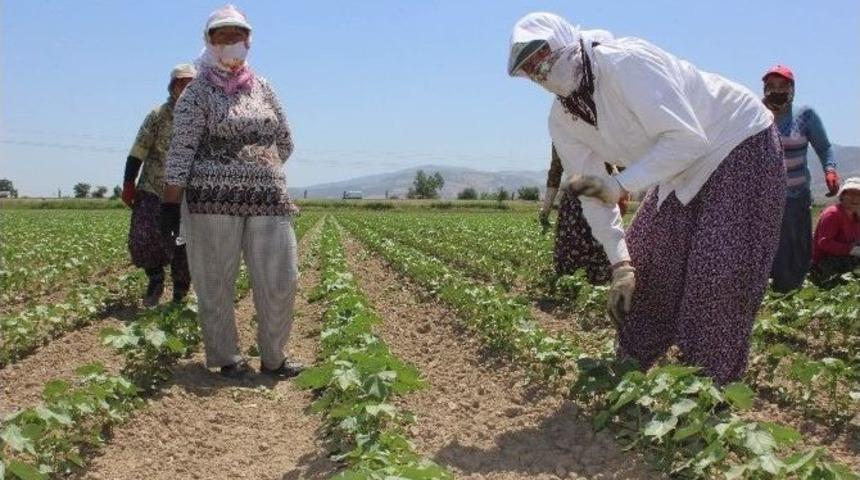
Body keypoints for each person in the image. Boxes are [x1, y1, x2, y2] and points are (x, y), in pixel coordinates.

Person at [508, 13, 784, 384]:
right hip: (675, 169)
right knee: (647, 263)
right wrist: (619, 263)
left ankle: (707, 392)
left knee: (718, 274)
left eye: (544, 56)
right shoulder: (563, 119)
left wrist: (621, 185)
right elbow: (591, 192)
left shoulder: (624, 63)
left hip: (735, 143)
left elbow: (687, 139)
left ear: (566, 41)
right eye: (531, 69)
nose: (542, 71)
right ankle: (628, 372)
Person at [161, 5, 302, 379]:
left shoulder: (264, 87)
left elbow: (285, 141)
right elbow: (181, 152)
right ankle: (227, 358)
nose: (231, 44)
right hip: (211, 203)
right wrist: (170, 207)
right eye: (222, 37)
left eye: (237, 37)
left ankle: (274, 358)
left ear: (249, 41)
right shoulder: (197, 92)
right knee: (216, 282)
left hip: (268, 201)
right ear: (209, 42)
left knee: (281, 279)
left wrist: (258, 168)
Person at [122, 63, 196, 307]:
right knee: (143, 237)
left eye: (191, 84)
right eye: (181, 83)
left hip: (187, 193)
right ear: (173, 86)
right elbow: (138, 150)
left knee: (182, 244)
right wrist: (128, 183)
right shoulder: (158, 115)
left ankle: (180, 292)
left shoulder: (200, 118)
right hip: (153, 188)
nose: (186, 88)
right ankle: (155, 279)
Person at [762, 65, 841, 292]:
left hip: (796, 193)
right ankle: (766, 290)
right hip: (764, 196)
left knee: (796, 243)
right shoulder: (756, 115)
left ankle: (792, 290)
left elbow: (825, 147)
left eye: (783, 86)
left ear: (792, 89)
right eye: (772, 87)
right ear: (765, 89)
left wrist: (830, 170)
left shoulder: (804, 115)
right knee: (769, 242)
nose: (777, 91)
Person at [542, 145, 619, 284]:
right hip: (597, 195)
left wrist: (545, 210)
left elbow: (555, 171)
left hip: (577, 200)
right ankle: (594, 289)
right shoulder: (599, 128)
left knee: (572, 247)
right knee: (600, 246)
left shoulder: (562, 133)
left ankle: (573, 287)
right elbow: (614, 164)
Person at [810, 178, 860, 285]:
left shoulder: (856, 215)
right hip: (824, 262)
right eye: (851, 194)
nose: (855, 198)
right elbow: (824, 243)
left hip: (844, 256)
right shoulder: (833, 214)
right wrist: (852, 250)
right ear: (842, 196)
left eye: (858, 195)